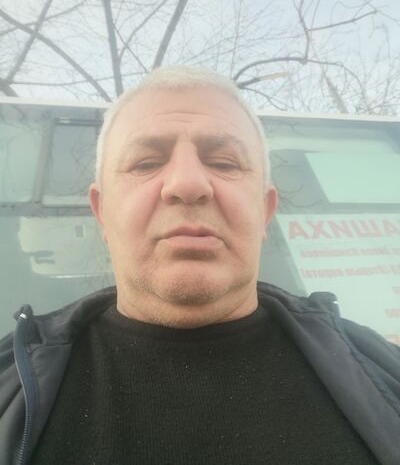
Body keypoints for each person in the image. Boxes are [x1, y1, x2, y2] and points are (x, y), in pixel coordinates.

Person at [0, 66, 399, 465]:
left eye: (225, 163)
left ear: (264, 211)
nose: (188, 184)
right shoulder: (9, 385)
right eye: (145, 163)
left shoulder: (385, 371)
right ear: (102, 211)